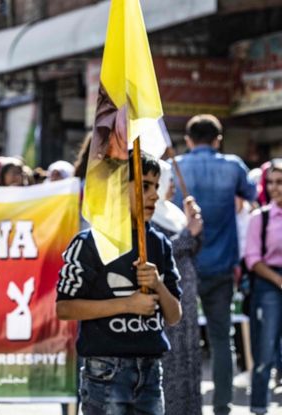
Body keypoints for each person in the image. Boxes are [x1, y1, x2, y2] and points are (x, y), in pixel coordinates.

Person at [56, 150, 182, 415]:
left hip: (151, 371)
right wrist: (128, 304)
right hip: (105, 371)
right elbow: (65, 308)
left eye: (156, 186)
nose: (154, 195)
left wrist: (158, 285)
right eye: (144, 185)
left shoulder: (159, 244)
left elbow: (174, 316)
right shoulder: (90, 243)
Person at [172, 114, 256, 415]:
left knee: (181, 340)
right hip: (221, 264)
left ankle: (184, 403)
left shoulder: (175, 168)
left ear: (189, 140)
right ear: (218, 139)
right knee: (222, 338)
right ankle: (223, 405)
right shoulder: (233, 166)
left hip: (182, 264)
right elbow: (252, 197)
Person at [152, 160, 203, 415]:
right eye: (167, 180)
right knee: (171, 362)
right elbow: (158, 253)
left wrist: (192, 222)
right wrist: (187, 234)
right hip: (168, 298)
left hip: (187, 298)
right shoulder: (150, 215)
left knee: (189, 357)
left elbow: (192, 246)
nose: (172, 185)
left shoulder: (172, 212)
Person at [245, 159, 282, 415]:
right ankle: (259, 407)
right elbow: (252, 259)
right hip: (269, 284)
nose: (274, 187)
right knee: (265, 352)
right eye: (270, 182)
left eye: (279, 182)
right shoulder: (261, 216)